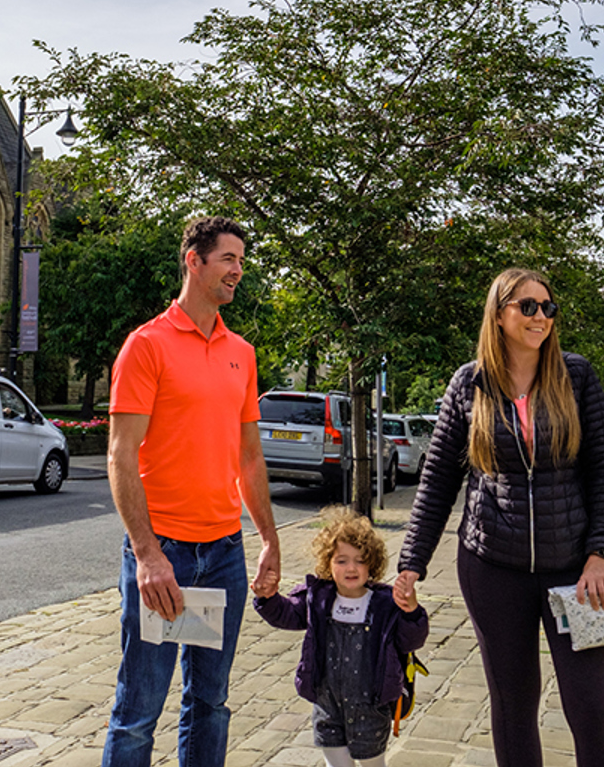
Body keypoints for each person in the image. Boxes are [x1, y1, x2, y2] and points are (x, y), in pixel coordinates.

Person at [394, 267, 604, 767]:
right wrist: (411, 561)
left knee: (592, 709)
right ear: (499, 314)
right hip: (491, 566)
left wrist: (600, 553)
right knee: (513, 705)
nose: (540, 316)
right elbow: (437, 481)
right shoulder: (469, 383)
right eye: (528, 306)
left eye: (547, 307)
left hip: (575, 571)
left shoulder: (577, 376)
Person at [103, 216, 282, 767]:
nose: (238, 271)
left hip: (224, 554)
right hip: (166, 556)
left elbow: (248, 456)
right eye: (229, 259)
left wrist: (269, 540)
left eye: (242, 262)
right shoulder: (147, 345)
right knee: (138, 713)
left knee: (212, 704)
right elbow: (119, 454)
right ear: (194, 261)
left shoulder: (242, 353)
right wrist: (147, 554)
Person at [253, 507, 430, 767]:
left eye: (360, 560)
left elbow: (411, 640)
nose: (351, 568)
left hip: (370, 708)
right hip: (328, 707)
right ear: (327, 563)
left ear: (372, 563)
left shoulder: (385, 604)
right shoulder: (318, 597)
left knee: (373, 764)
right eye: (341, 560)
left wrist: (412, 611)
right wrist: (266, 597)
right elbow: (287, 614)